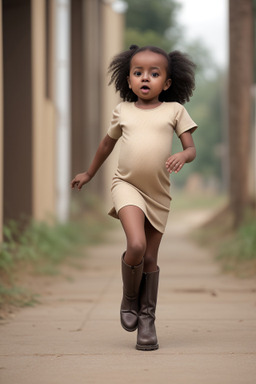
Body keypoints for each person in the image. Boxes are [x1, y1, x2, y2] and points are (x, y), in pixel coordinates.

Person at [71, 45, 197, 351]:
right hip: (125, 184)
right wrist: (89, 173)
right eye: (138, 73)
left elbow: (191, 149)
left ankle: (146, 320)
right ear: (128, 80)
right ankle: (130, 297)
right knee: (136, 245)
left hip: (158, 192)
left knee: (151, 258)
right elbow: (106, 145)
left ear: (167, 83)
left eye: (154, 74)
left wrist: (183, 155)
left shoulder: (175, 110)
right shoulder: (123, 111)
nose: (145, 78)